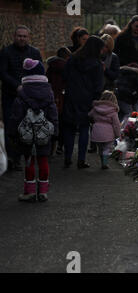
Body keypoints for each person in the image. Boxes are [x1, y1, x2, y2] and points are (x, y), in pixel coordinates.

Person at [7, 58, 58, 202]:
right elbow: (53, 115)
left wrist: (12, 133)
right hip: (44, 134)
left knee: (29, 161)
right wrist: (55, 133)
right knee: (43, 161)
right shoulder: (49, 93)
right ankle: (43, 192)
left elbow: (16, 116)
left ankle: (29, 192)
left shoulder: (22, 94)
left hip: (26, 135)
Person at [0, 25, 42, 171]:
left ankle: (25, 156)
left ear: (28, 37)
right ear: (14, 36)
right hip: (10, 96)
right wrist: (16, 85)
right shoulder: (5, 52)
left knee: (26, 127)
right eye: (19, 35)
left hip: (29, 98)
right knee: (11, 127)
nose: (21, 38)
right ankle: (12, 158)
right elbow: (3, 73)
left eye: (24, 36)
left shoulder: (35, 52)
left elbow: (40, 72)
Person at [62, 36, 106, 169]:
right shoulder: (97, 64)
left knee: (69, 128)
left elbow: (65, 76)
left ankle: (67, 158)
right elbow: (98, 85)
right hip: (87, 99)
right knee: (84, 129)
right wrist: (96, 99)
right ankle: (81, 159)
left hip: (71, 96)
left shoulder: (73, 59)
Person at [46, 47, 71, 155]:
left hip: (51, 97)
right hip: (63, 97)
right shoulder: (68, 68)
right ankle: (59, 146)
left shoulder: (51, 66)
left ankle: (49, 147)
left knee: (50, 121)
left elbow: (47, 81)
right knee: (62, 124)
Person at [88, 91, 120, 170]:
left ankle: (102, 162)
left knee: (100, 148)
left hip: (96, 131)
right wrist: (117, 134)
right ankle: (104, 163)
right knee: (106, 148)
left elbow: (89, 115)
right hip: (108, 133)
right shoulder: (113, 110)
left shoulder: (95, 108)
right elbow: (116, 124)